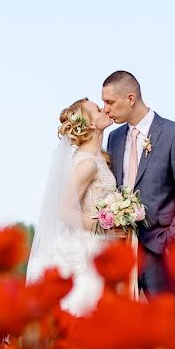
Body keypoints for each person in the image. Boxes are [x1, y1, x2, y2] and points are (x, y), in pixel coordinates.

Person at [102, 70, 175, 297]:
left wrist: (169, 242)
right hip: (122, 250)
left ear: (130, 98)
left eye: (110, 102)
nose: (105, 109)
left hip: (159, 251)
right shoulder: (114, 138)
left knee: (165, 323)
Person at [26, 98, 115, 316]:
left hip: (98, 246)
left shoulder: (98, 158)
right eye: (98, 108)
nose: (104, 109)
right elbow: (64, 210)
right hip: (87, 249)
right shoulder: (87, 164)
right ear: (91, 124)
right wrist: (106, 227)